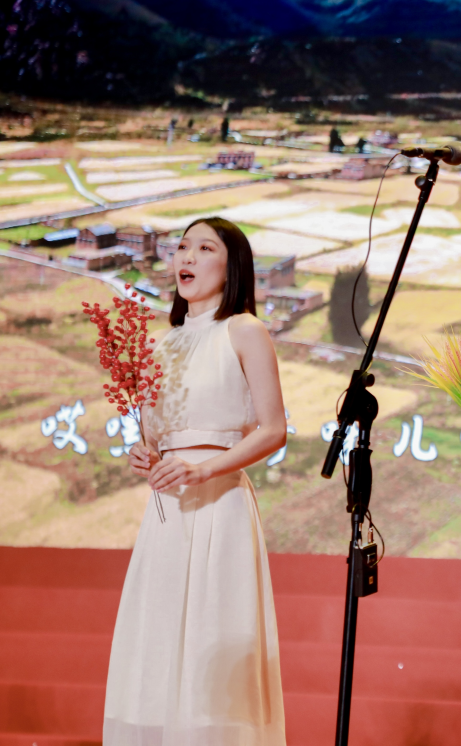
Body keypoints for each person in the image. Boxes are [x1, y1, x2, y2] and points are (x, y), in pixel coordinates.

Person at [104, 217, 288, 745]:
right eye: (182, 246)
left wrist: (205, 468)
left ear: (231, 268)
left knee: (213, 642)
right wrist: (146, 455)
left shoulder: (244, 330)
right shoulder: (160, 346)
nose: (187, 256)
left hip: (219, 505)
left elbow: (274, 429)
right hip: (168, 514)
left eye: (205, 248)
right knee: (161, 642)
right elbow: (159, 435)